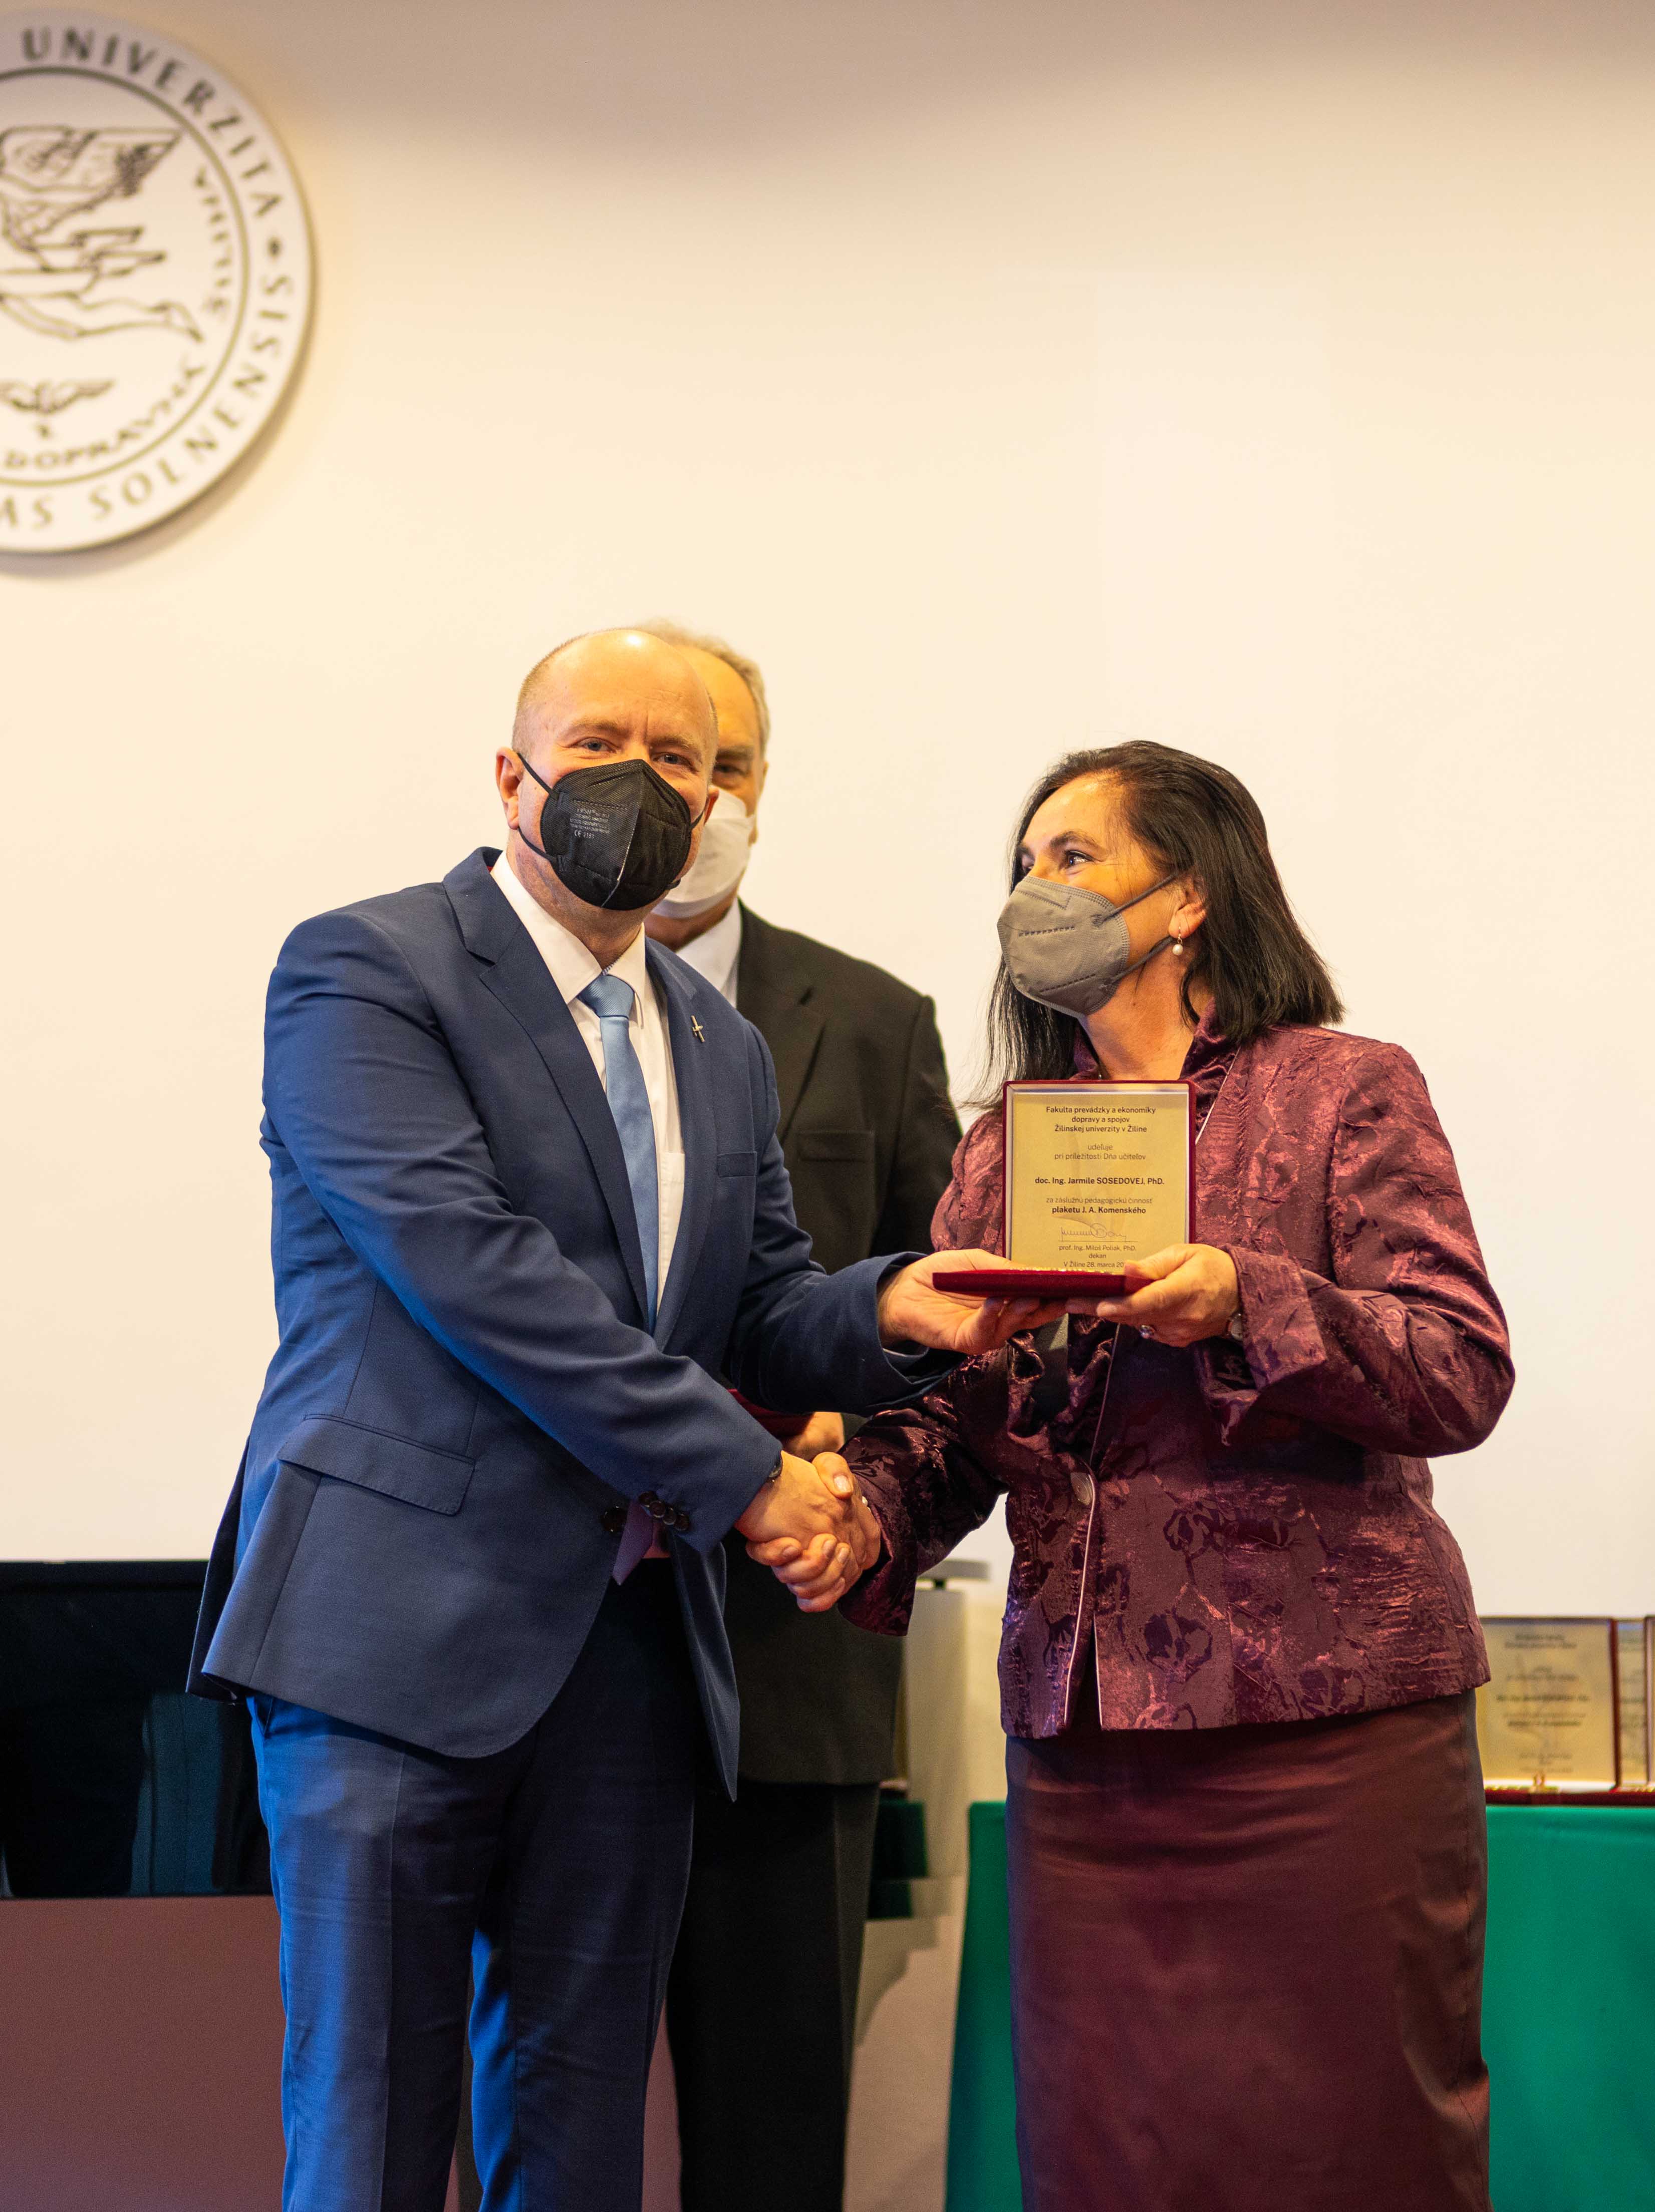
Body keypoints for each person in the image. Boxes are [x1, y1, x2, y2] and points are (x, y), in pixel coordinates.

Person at [188, 629, 1050, 2212]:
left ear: (726, 798)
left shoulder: (718, 1043)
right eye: (601, 743)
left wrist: (896, 1306)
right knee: (371, 2135)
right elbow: (475, 1272)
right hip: (392, 1642)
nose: (641, 784)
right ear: (511, 774)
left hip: (633, 1659)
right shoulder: (367, 967)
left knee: (579, 2140)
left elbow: (761, 1300)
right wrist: (753, 1480)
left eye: (683, 760)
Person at [830, 741, 1514, 2210]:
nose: (1037, 889)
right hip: (1087, 1753)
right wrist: (858, 1511)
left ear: (1190, 896)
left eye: (1074, 858)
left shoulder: (1343, 1091)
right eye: (1025, 864)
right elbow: (970, 1423)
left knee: (1349, 2147)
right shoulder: (1006, 1145)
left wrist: (1246, 1301)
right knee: (1109, 2156)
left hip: (1320, 1733)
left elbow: (1459, 1367)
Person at [632, 622, 962, 2212]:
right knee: (533, 2114)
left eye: (727, 764)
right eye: (647, 758)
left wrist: (858, 1456)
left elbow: (943, 1331)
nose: (691, 797)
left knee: (774, 2135)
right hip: (551, 1653)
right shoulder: (476, 1012)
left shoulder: (877, 1020)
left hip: (792, 1643)